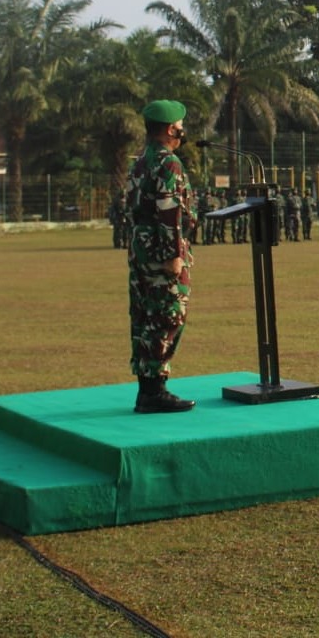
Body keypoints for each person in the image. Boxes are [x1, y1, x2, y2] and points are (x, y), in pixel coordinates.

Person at [126, 99, 197, 414]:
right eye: (181, 124)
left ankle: (147, 388)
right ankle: (155, 390)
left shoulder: (141, 161)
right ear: (171, 128)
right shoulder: (169, 163)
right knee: (168, 315)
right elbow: (169, 212)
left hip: (142, 249)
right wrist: (173, 255)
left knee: (144, 316)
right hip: (162, 252)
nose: (183, 130)